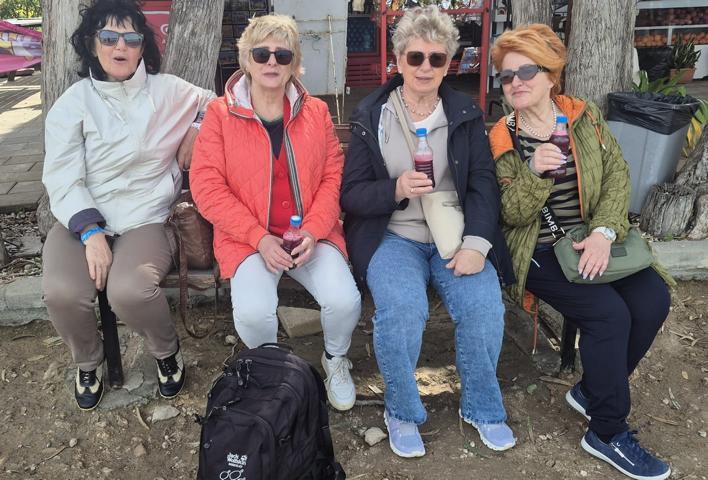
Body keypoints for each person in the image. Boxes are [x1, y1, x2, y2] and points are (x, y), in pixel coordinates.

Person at [489, 24, 674, 480]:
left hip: (592, 239)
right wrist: (534, 173)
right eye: (506, 76)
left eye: (526, 71)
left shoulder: (582, 116)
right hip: (538, 248)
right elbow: (509, 214)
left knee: (653, 299)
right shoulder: (502, 137)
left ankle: (592, 390)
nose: (515, 82)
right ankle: (607, 431)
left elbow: (617, 174)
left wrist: (604, 233)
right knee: (609, 316)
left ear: (551, 75)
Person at [340, 6, 516, 458]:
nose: (425, 67)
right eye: (415, 57)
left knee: (483, 305)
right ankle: (401, 411)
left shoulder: (464, 113)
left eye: (436, 58)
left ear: (449, 63)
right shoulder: (372, 115)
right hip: (393, 236)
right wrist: (394, 190)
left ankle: (482, 407)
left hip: (453, 235)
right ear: (398, 60)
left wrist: (477, 244)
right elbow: (351, 196)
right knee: (402, 309)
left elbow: (482, 184)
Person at [42, 0, 215, 411]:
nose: (120, 46)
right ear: (91, 43)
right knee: (62, 292)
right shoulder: (74, 103)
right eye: (108, 36)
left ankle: (166, 351)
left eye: (131, 38)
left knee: (130, 290)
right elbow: (62, 175)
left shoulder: (168, 91)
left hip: (145, 216)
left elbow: (219, 101)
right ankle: (88, 361)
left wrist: (196, 127)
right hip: (81, 218)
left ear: (142, 47)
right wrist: (90, 233)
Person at [190, 14, 361, 412]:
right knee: (253, 313)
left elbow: (333, 176)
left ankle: (335, 358)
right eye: (261, 53)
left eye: (282, 55)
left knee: (345, 300)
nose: (271, 62)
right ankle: (269, 374)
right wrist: (258, 237)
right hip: (249, 239)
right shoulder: (219, 115)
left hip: (309, 235)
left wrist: (315, 229)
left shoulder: (315, 112)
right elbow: (207, 187)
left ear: (294, 62)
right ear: (246, 60)